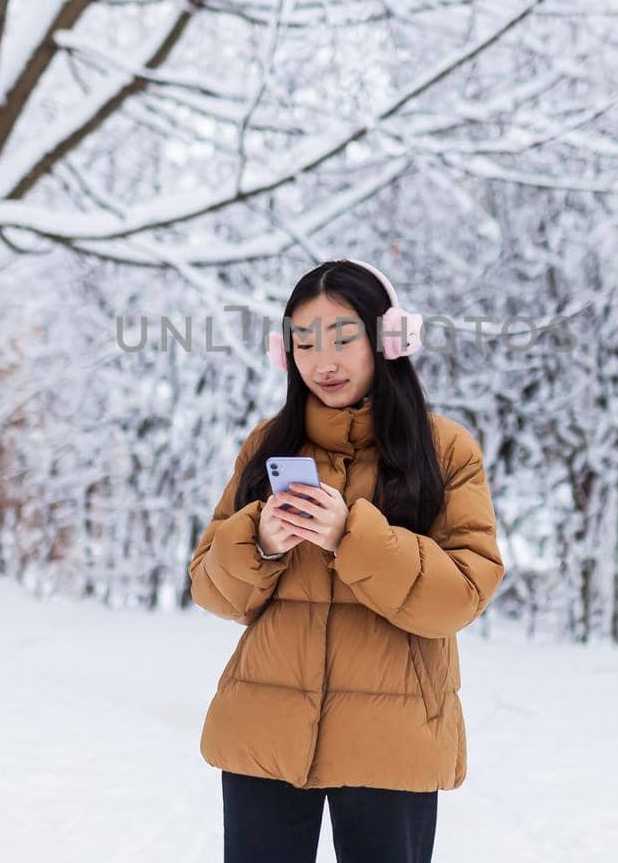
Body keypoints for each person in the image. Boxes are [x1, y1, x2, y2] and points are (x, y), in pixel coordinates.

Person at [188, 258, 506, 863]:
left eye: (342, 338)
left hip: (395, 737)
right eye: (303, 342)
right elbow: (210, 590)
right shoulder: (268, 446)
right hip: (264, 730)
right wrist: (261, 541)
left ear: (388, 339)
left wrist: (351, 536)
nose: (322, 362)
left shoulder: (444, 450)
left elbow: (461, 596)